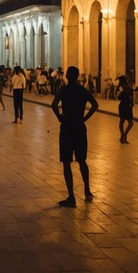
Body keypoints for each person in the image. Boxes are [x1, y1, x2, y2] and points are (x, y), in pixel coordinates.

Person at [51, 65, 98, 207]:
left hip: (67, 126)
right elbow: (95, 105)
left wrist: (59, 117)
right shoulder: (82, 90)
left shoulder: (63, 90)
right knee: (82, 160)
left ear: (66, 76)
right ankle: (87, 190)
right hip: (79, 126)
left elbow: (53, 105)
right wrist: (85, 118)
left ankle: (71, 196)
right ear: (77, 76)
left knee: (66, 161)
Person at [116, 75, 134, 144]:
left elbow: (131, 97)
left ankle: (124, 135)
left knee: (130, 122)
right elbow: (119, 97)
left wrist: (132, 103)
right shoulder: (121, 87)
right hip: (124, 105)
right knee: (122, 121)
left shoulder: (127, 87)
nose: (127, 80)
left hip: (128, 106)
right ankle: (123, 136)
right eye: (126, 79)